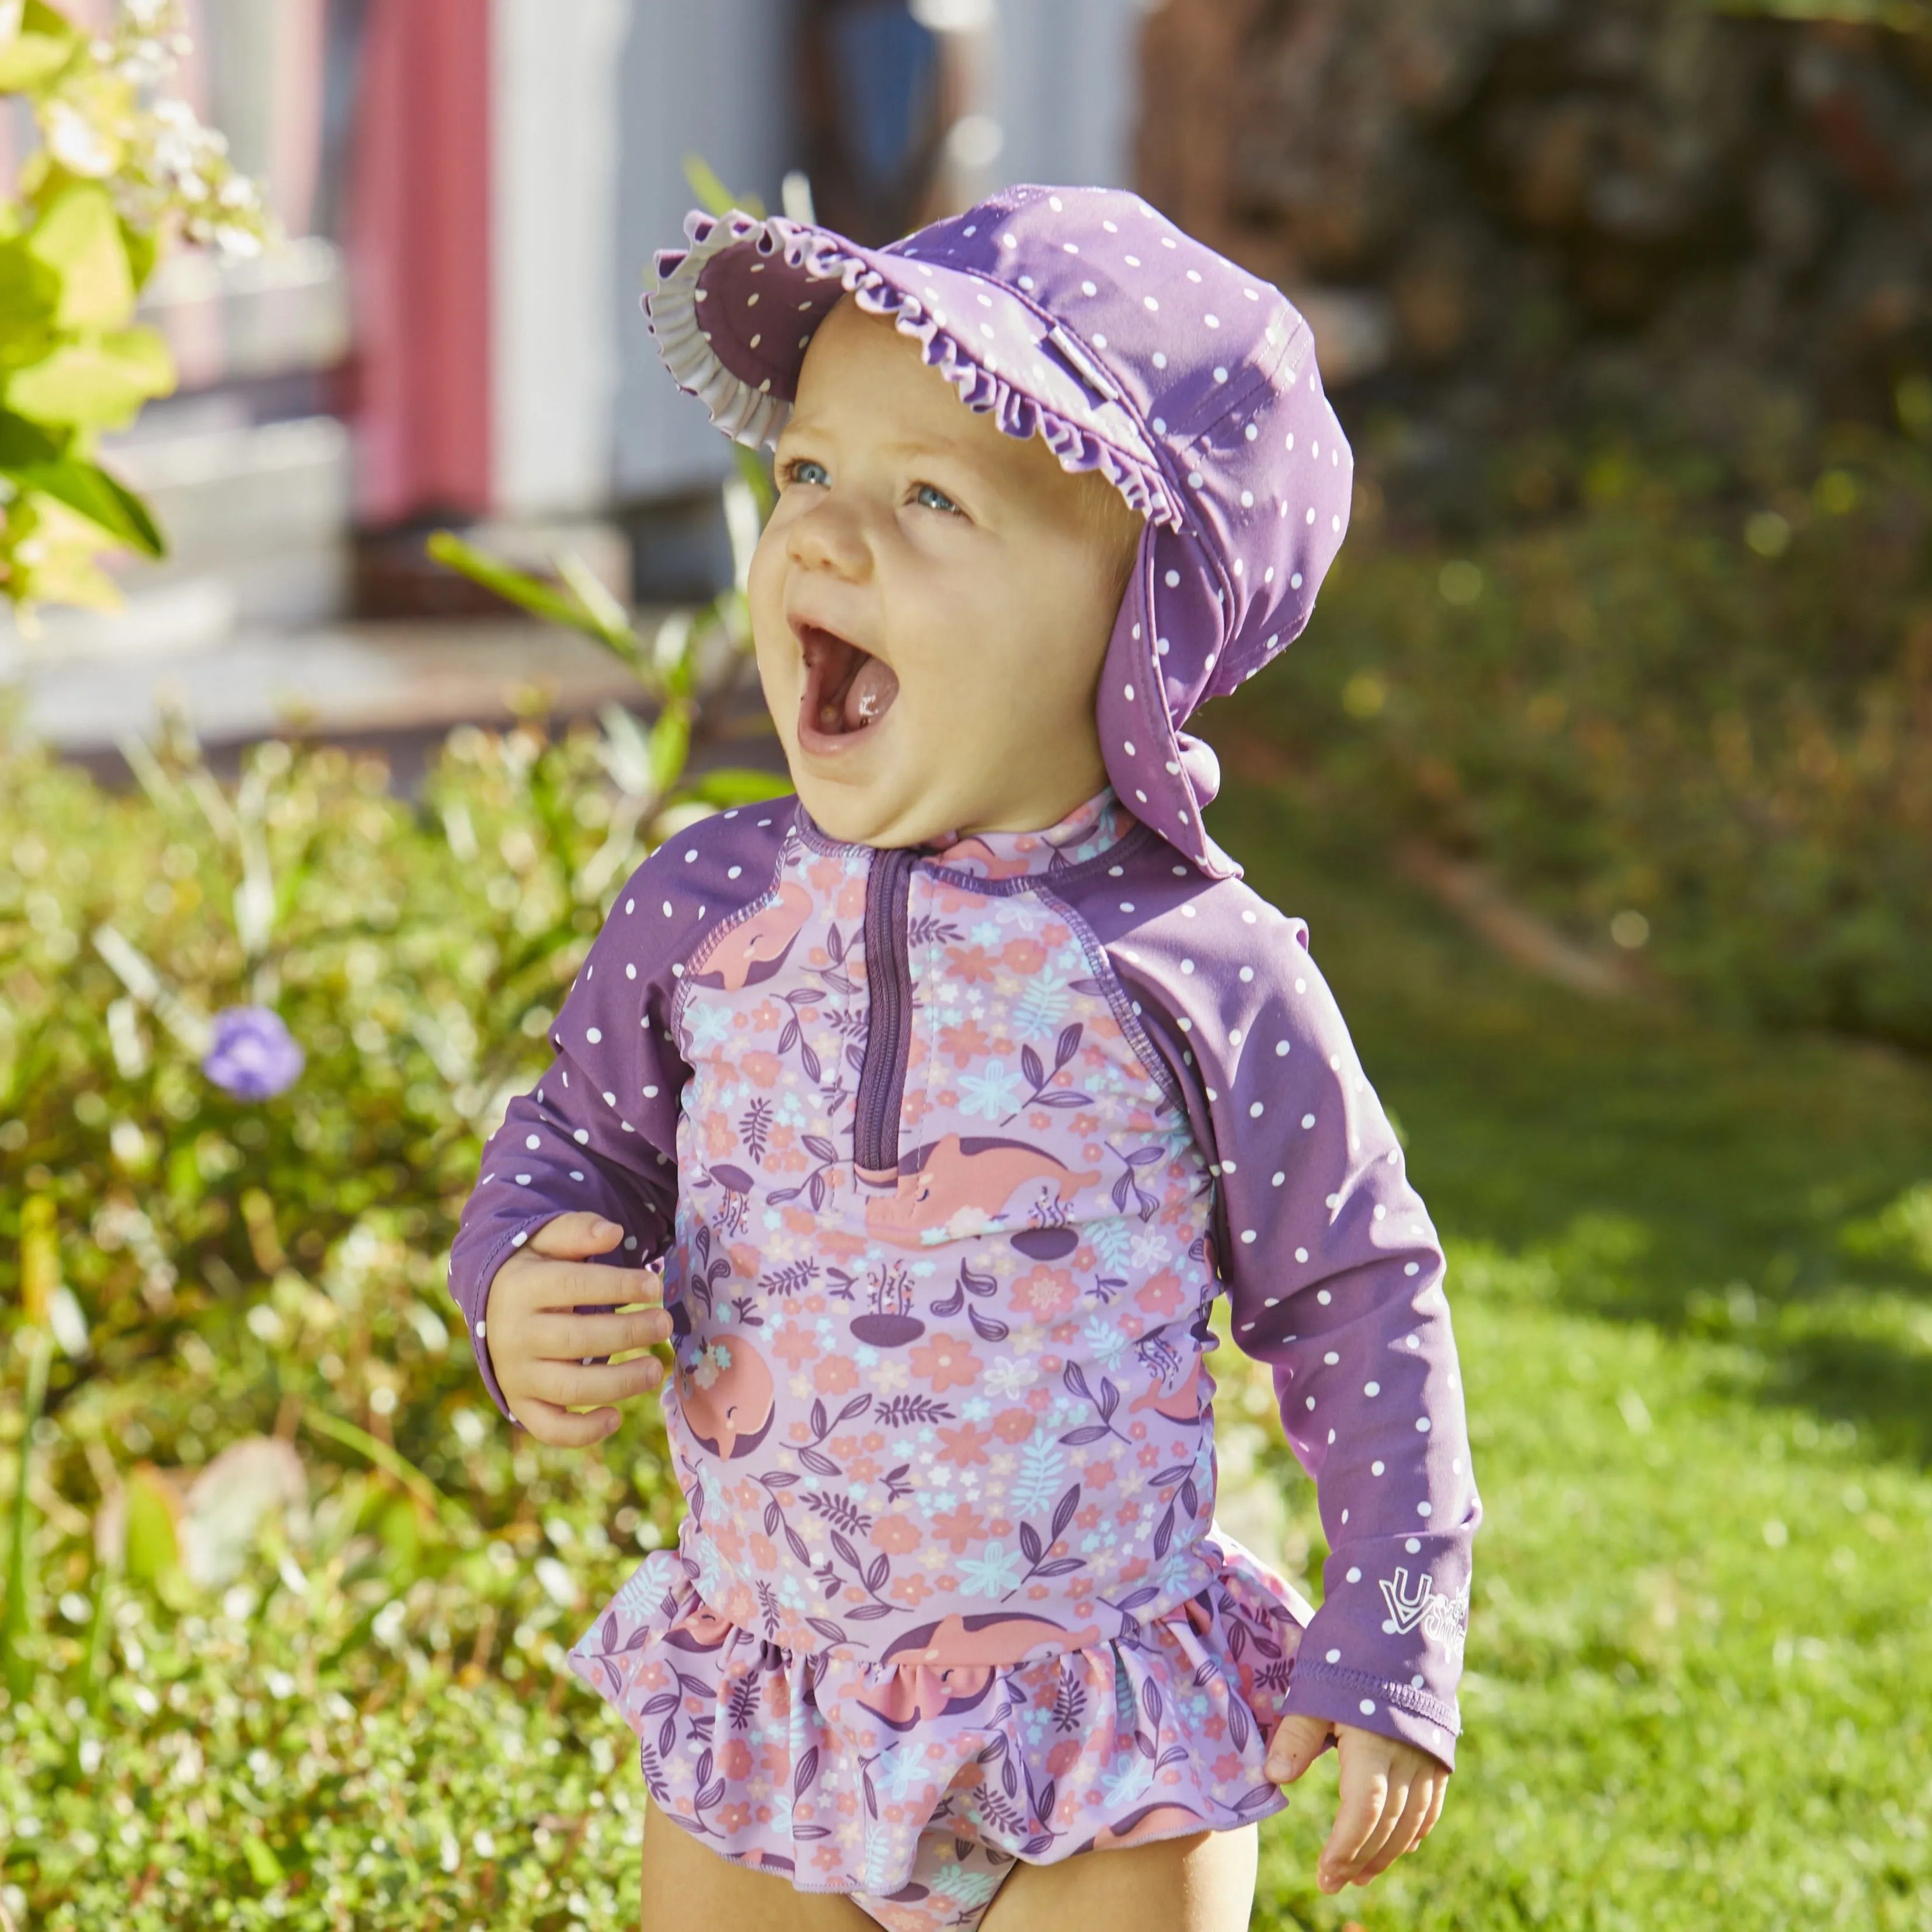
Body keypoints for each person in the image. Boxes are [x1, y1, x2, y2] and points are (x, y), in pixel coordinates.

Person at [448, 185, 1479, 1932]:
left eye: (928, 496)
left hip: (1100, 1737)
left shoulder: (1193, 966)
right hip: (769, 1698)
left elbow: (1358, 1294)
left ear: (1134, 625)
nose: (828, 538)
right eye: (807, 474)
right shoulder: (704, 902)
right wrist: (517, 1281)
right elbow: (576, 1148)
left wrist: (1391, 1616)